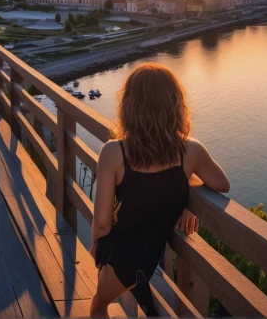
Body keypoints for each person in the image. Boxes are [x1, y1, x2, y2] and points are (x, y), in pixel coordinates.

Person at [90, 63, 230, 318]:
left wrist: (96, 246)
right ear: (175, 105)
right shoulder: (190, 151)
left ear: (130, 106)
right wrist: (186, 197)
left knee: (98, 307)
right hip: (154, 259)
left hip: (120, 259)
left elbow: (101, 224)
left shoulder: (113, 152)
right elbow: (221, 184)